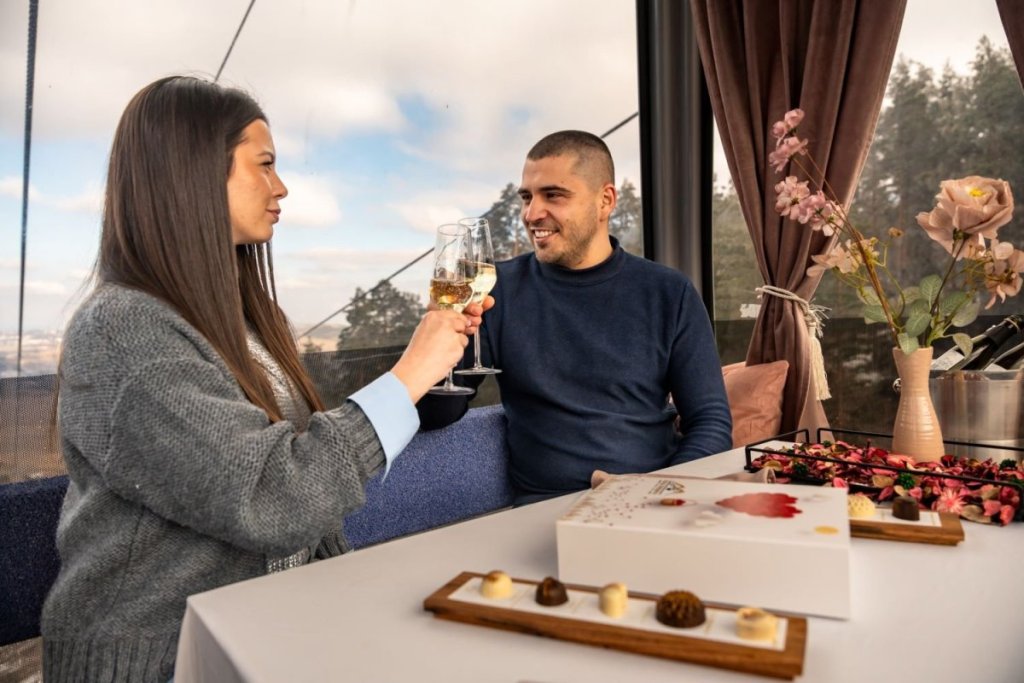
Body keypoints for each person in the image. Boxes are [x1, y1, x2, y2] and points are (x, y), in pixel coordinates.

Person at [41, 75, 481, 681]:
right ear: (194, 173)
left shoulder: (248, 320)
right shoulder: (123, 330)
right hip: (165, 661)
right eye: (265, 165)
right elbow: (271, 496)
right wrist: (409, 374)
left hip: (268, 633)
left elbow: (299, 468)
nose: (282, 187)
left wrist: (424, 368)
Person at [419, 130, 733, 504]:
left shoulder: (669, 292)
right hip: (543, 509)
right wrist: (435, 340)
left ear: (605, 201)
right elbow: (437, 413)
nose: (531, 214)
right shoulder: (494, 291)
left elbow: (710, 422)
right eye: (527, 197)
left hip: (653, 500)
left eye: (553, 195)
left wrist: (664, 497)